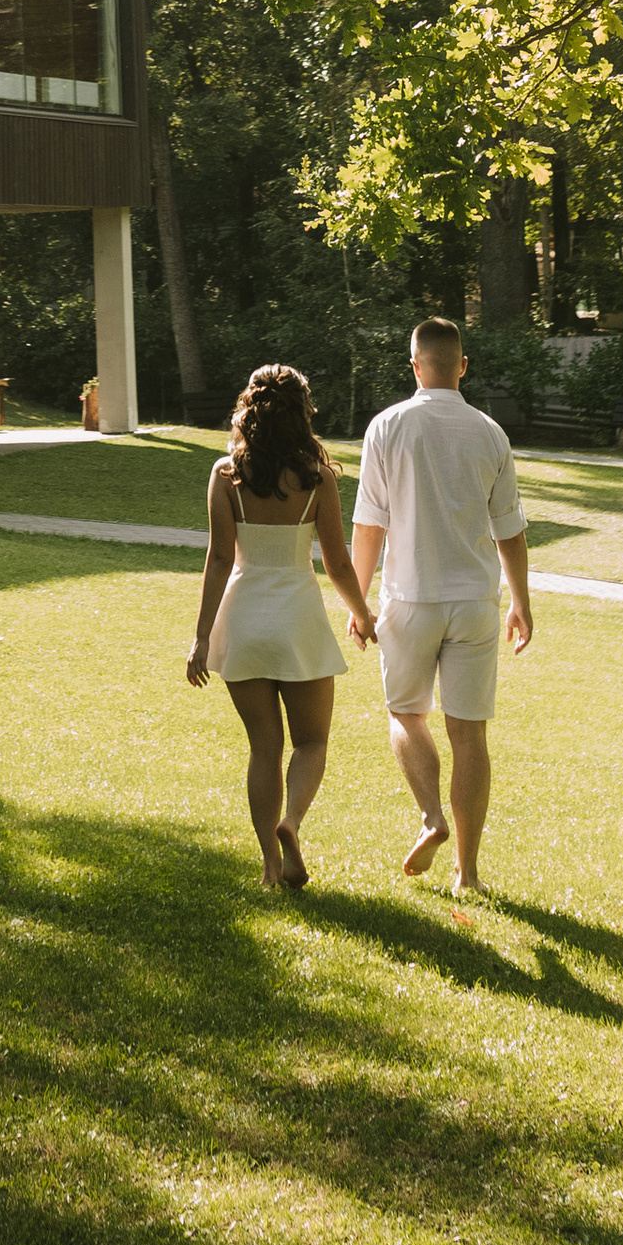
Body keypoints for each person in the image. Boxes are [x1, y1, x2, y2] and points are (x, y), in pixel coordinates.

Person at [351, 317, 532, 902]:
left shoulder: (386, 427)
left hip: (409, 599)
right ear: (461, 365)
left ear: (414, 365)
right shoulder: (490, 433)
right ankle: (468, 872)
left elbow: (368, 527)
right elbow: (510, 531)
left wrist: (358, 603)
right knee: (470, 735)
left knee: (406, 714)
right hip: (476, 603)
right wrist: (522, 603)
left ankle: (431, 816)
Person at [186, 361, 375, 889]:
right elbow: (338, 563)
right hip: (298, 622)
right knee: (311, 741)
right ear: (301, 414)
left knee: (263, 749)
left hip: (243, 621)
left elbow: (220, 558)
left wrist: (202, 637)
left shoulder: (227, 475)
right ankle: (291, 821)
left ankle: (270, 866)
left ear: (250, 410)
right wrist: (362, 613)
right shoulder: (318, 479)